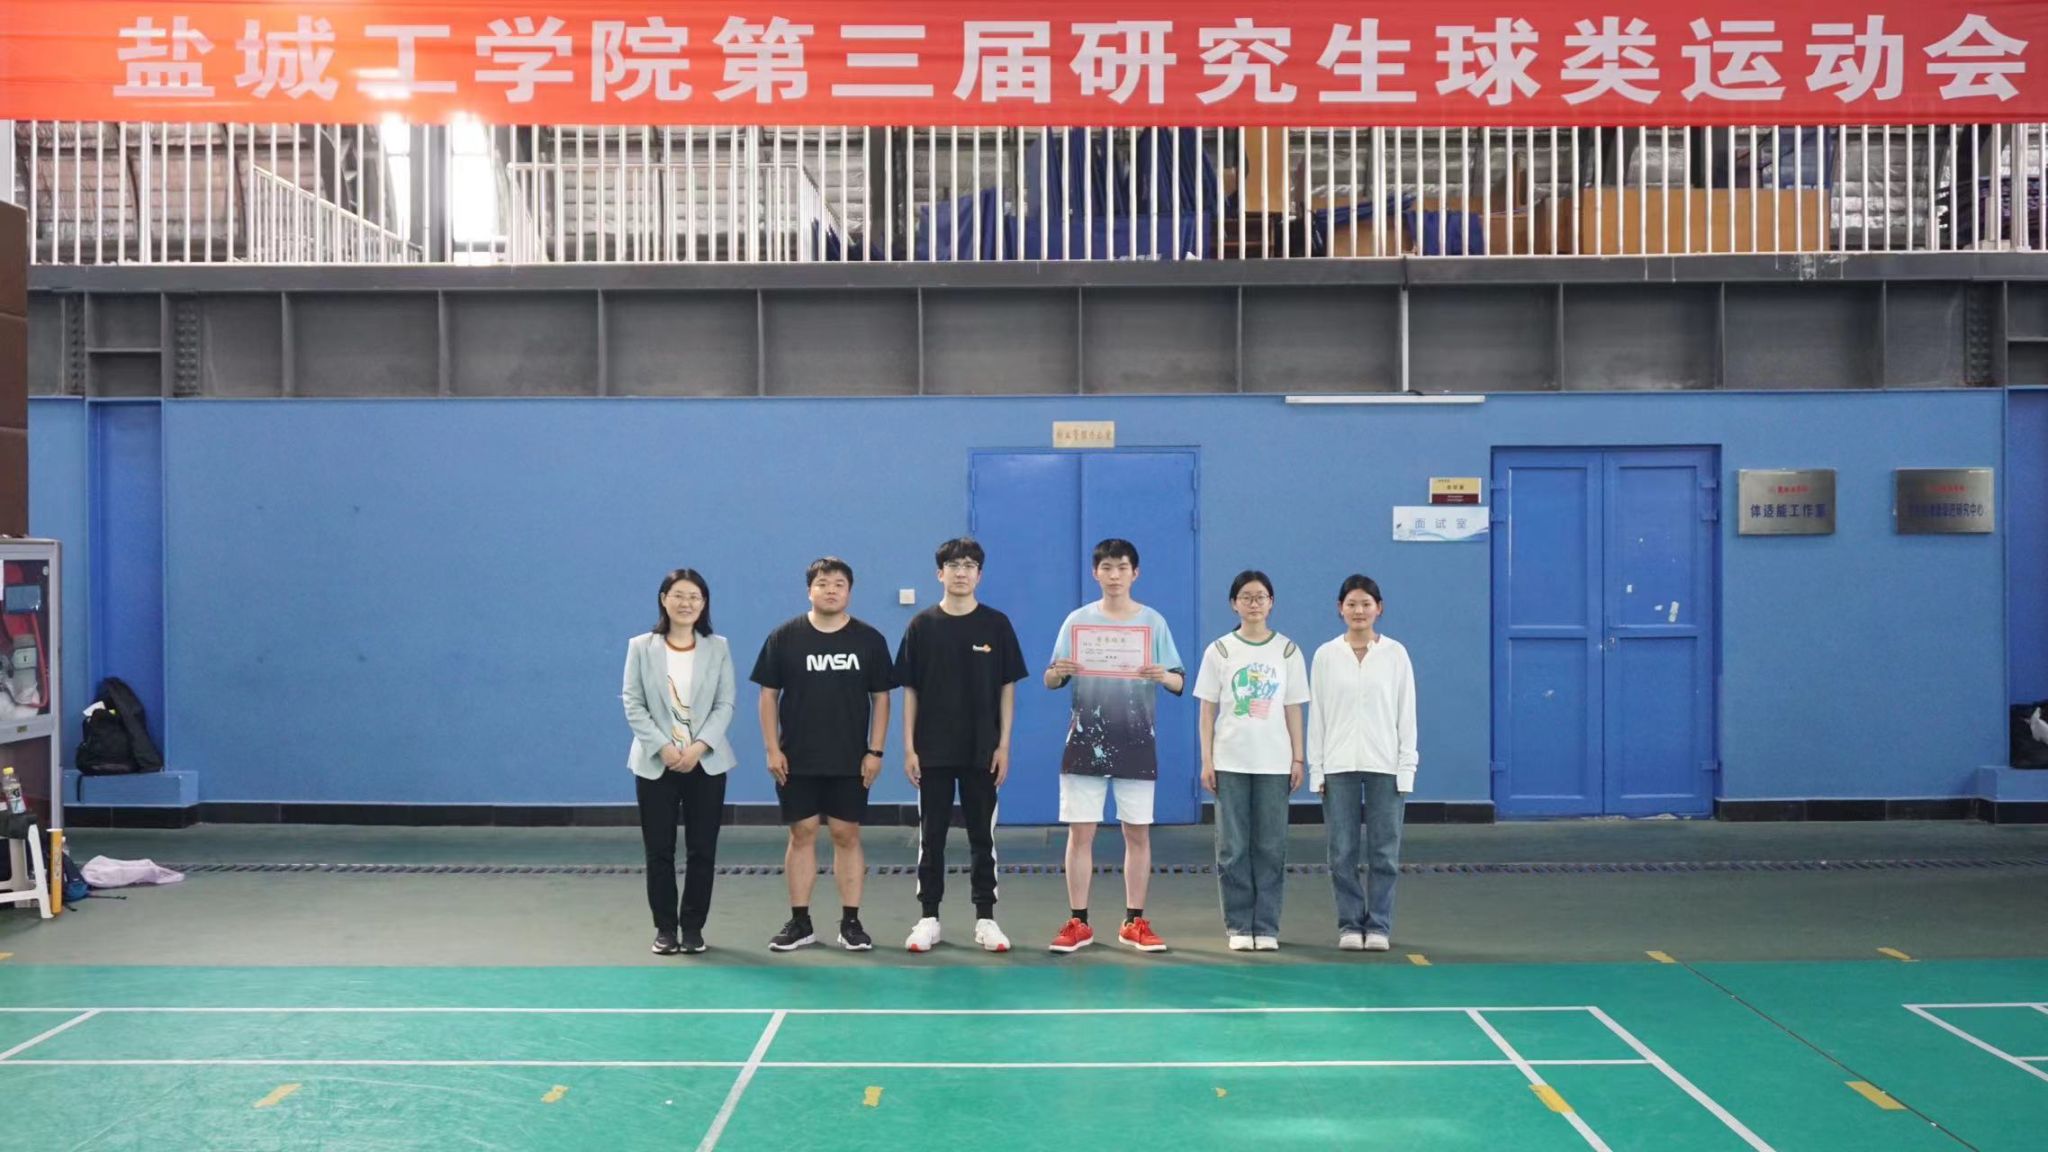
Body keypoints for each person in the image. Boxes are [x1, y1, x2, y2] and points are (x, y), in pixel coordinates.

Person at [1043, 538, 1184, 953]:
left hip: (1136, 740)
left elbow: (1178, 681)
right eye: (1107, 567)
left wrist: (1162, 675)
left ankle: (1134, 921)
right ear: (1095, 573)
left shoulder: (1153, 622)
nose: (1115, 575)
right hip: (1085, 740)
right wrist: (1059, 671)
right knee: (1080, 833)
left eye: (1122, 567)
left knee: (1136, 833)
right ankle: (1078, 922)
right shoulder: (1078, 621)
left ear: (1135, 573)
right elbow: (1050, 678)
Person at [751, 557, 895, 952]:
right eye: (823, 583)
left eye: (839, 584)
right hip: (797, 758)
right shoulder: (784, 637)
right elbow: (768, 695)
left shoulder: (869, 639)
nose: (831, 590)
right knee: (802, 833)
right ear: (809, 590)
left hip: (850, 758)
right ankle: (800, 922)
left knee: (847, 834)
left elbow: (882, 698)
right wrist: (772, 748)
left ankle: (851, 922)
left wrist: (875, 750)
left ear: (849, 591)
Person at [895, 537, 1028, 953]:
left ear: (979, 575)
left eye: (969, 565)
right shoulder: (921, 626)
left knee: (982, 837)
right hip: (932, 750)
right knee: (931, 836)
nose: (961, 572)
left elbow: (1007, 689)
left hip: (982, 750)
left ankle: (986, 918)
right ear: (940, 573)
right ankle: (928, 918)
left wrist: (1003, 745)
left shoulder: (996, 625)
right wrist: (909, 748)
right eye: (953, 565)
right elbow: (910, 691)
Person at [621, 569, 737, 956]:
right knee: (659, 850)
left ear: (704, 604)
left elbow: (725, 703)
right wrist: (663, 748)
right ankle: (665, 928)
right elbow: (633, 703)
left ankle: (693, 928)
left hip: (706, 764)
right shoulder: (641, 646)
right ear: (663, 599)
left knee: (703, 850)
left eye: (694, 597)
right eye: (679, 595)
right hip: (656, 765)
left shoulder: (718, 647)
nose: (686, 603)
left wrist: (699, 747)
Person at [1194, 570, 1308, 952]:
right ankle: (1240, 925)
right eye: (1246, 597)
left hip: (1275, 764)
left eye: (1261, 597)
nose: (1254, 603)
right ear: (1234, 604)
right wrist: (1207, 759)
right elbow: (1207, 711)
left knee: (1271, 847)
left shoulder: (1288, 651)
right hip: (1230, 762)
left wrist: (1298, 758)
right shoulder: (1220, 651)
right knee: (1233, 847)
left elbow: (1293, 707)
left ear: (1271, 603)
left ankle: (1267, 925)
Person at [1307, 574, 1418, 953]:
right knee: (1342, 852)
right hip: (1338, 767)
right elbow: (1318, 716)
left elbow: (1407, 713)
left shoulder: (1396, 654)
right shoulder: (1325, 655)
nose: (1359, 611)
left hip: (1386, 765)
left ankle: (1380, 925)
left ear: (1379, 609)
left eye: (1366, 604)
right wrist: (1317, 769)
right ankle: (1350, 925)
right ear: (1340, 608)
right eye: (1351, 604)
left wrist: (1406, 768)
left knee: (1384, 852)